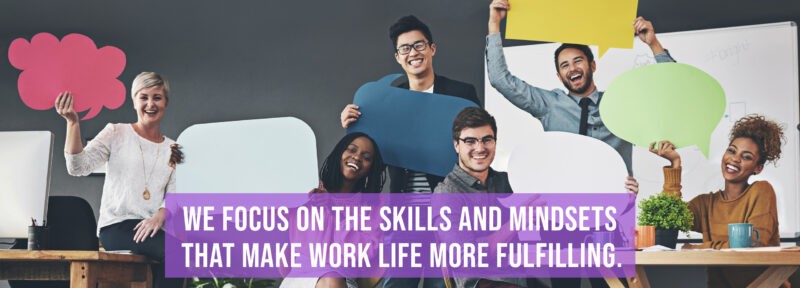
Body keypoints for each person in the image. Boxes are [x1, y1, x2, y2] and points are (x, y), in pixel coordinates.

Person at [486, 0, 674, 180]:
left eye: (578, 61)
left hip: (615, 205)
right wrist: (494, 24)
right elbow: (500, 80)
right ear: (559, 76)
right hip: (568, 206)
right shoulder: (550, 105)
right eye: (565, 65)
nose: (573, 68)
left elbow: (672, 89)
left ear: (592, 66)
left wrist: (653, 43)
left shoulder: (620, 103)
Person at [56, 72, 182, 288]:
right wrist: (73, 122)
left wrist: (159, 217)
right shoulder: (116, 132)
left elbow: (175, 195)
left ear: (166, 103)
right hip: (117, 227)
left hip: (154, 228)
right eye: (144, 97)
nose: (150, 104)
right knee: (177, 252)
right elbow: (77, 167)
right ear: (134, 101)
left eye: (157, 98)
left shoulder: (174, 149)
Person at [340, 14, 480, 194]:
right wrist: (354, 128)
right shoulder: (386, 100)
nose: (413, 53)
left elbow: (477, 147)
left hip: (452, 198)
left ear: (432, 49)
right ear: (398, 57)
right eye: (405, 49)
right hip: (403, 202)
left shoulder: (461, 94)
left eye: (419, 45)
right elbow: (372, 156)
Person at [649, 114, 784, 287]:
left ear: (757, 168)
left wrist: (696, 249)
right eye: (732, 151)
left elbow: (755, 243)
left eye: (746, 157)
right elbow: (668, 218)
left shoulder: (761, 191)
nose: (735, 159)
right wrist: (675, 164)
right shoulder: (706, 204)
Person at [434, 107, 526, 288]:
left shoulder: (508, 182)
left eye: (487, 140)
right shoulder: (446, 194)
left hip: (520, 280)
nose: (480, 148)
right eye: (470, 141)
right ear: (456, 145)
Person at [280, 132, 386, 288]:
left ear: (371, 167)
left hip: (342, 279)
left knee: (332, 280)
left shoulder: (373, 209)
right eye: (351, 150)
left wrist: (334, 212)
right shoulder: (311, 191)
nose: (357, 157)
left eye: (366, 157)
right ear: (340, 153)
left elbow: (362, 253)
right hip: (300, 278)